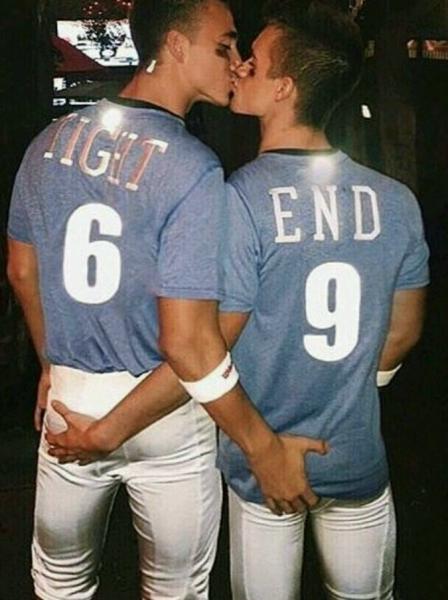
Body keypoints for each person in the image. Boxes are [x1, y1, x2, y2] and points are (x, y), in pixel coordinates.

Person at [7, 1, 327, 599]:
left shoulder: (48, 143)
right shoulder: (192, 168)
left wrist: (52, 364)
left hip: (71, 399)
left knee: (59, 580)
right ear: (176, 46)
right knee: (176, 588)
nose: (236, 62)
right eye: (224, 46)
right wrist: (259, 448)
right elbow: (191, 343)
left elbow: (23, 270)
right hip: (167, 408)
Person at [217, 1, 429, 598]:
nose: (239, 66)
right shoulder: (396, 201)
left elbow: (212, 339)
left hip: (262, 459)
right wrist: (350, 387)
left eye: (254, 61)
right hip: (352, 450)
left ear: (283, 87)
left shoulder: (239, 199)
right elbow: (403, 332)